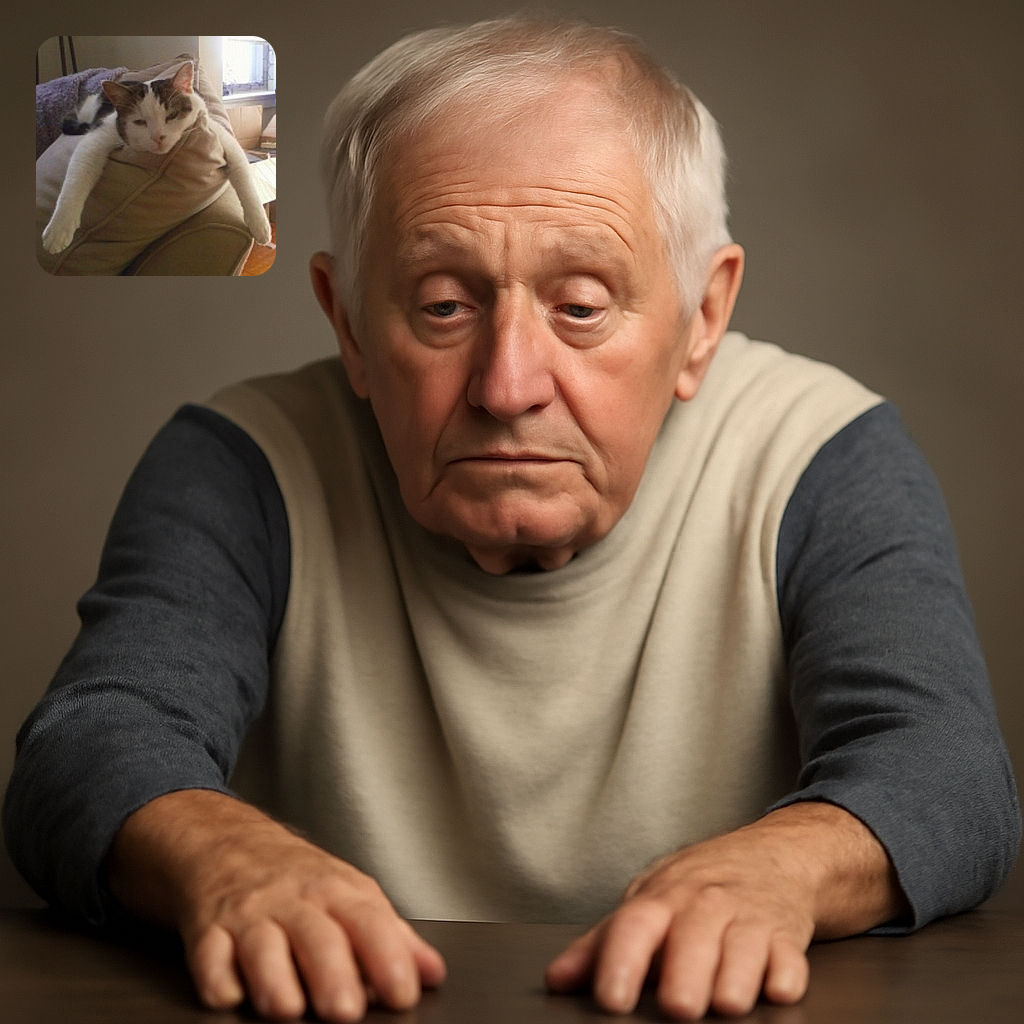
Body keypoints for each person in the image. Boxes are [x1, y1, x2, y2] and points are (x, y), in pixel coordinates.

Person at [4, 15, 1020, 1024]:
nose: (507, 384)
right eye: (443, 305)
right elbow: (92, 744)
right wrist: (230, 863)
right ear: (350, 325)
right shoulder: (242, 462)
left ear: (702, 319)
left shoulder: (819, 451)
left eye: (581, 305)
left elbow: (945, 769)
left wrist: (775, 872)